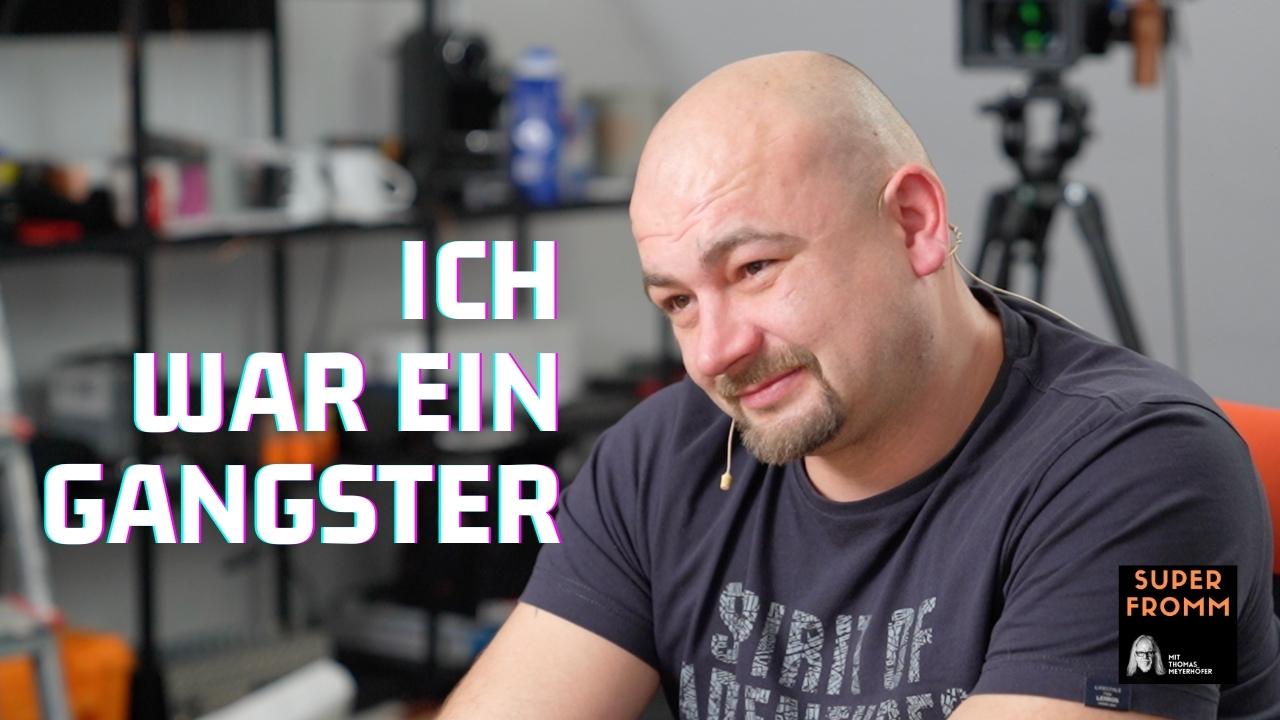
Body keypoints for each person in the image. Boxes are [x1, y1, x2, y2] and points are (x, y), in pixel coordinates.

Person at [439, 51, 1280, 719]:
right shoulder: (658, 461)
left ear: (913, 223)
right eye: (679, 303)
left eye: (755, 268)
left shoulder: (1165, 473)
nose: (717, 354)